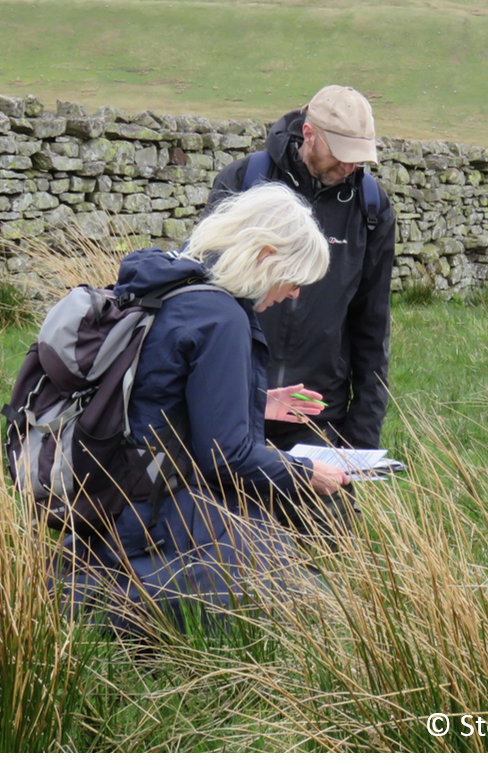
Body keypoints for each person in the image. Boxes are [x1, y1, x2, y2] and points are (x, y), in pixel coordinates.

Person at [58, 184, 350, 631]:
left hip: (108, 494)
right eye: (293, 280)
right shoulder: (223, 318)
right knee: (291, 594)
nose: (293, 294)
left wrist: (254, 401)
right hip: (154, 508)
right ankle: (89, 607)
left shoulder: (173, 287)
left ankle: (82, 585)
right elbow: (227, 458)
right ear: (266, 254)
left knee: (278, 568)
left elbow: (157, 393)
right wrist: (307, 473)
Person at [207, 85, 396, 451]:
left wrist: (362, 438)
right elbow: (207, 294)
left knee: (325, 512)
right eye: (341, 153)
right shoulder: (243, 182)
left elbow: (373, 326)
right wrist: (244, 394)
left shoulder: (372, 209)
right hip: (236, 408)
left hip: (320, 419)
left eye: (359, 157)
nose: (349, 166)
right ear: (309, 134)